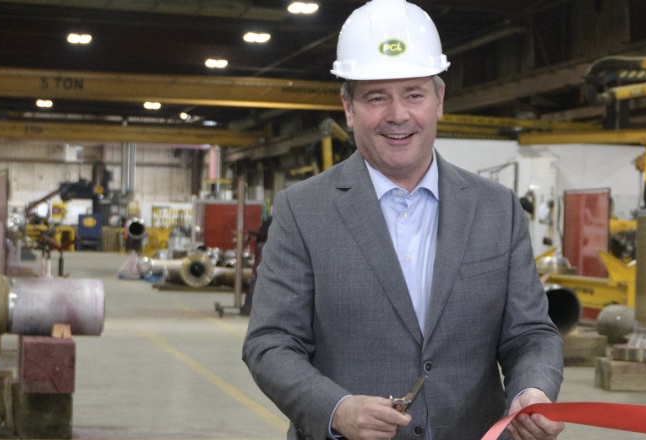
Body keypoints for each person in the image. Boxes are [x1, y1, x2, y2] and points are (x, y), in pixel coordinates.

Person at [242, 1, 565, 439]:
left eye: (414, 93)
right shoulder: (303, 210)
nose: (397, 115)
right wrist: (336, 409)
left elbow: (530, 334)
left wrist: (531, 388)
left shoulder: (497, 209)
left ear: (439, 100)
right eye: (377, 97)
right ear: (349, 108)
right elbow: (270, 343)